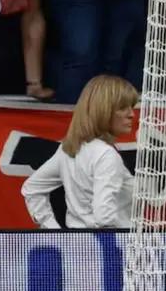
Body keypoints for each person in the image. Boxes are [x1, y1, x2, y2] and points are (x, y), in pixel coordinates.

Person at [20, 75, 138, 228]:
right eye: (123, 108)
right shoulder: (105, 154)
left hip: (77, 240)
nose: (131, 114)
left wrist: (52, 230)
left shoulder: (69, 149)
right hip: (113, 241)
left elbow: (31, 188)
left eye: (131, 107)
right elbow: (104, 218)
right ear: (102, 111)